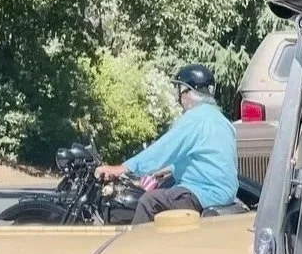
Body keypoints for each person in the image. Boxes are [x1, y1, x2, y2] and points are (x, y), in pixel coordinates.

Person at [99, 64, 237, 223]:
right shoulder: (221, 119)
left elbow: (162, 150)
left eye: (179, 89)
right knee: (165, 187)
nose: (178, 97)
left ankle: (136, 248)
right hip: (223, 193)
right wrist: (168, 169)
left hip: (205, 193)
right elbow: (205, 159)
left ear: (188, 92)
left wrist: (122, 168)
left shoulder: (194, 118)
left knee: (149, 202)